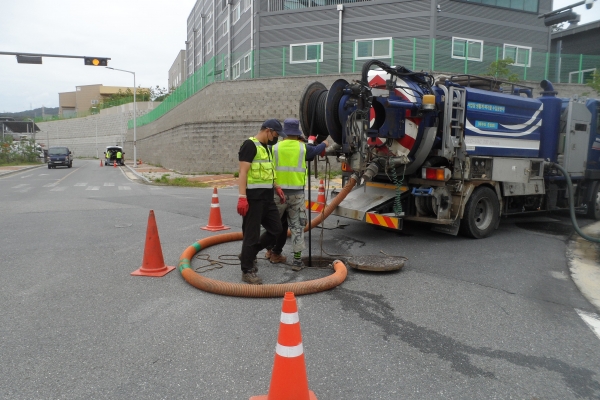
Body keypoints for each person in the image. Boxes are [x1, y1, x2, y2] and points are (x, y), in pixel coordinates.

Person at [262, 118, 328, 271]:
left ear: (284, 133)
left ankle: (269, 251)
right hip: (296, 195)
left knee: (271, 225)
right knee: (297, 227)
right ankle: (297, 261)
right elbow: (315, 151)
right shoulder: (303, 148)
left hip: (277, 194)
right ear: (297, 134)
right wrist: (324, 144)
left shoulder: (274, 148)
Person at [237, 119, 287, 284]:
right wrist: (242, 197)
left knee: (276, 229)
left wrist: (276, 186)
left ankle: (248, 254)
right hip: (253, 198)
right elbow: (243, 173)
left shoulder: (266, 147)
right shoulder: (249, 145)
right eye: (276, 134)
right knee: (252, 235)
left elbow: (267, 172)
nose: (276, 138)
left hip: (267, 198)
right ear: (268, 130)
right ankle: (247, 270)